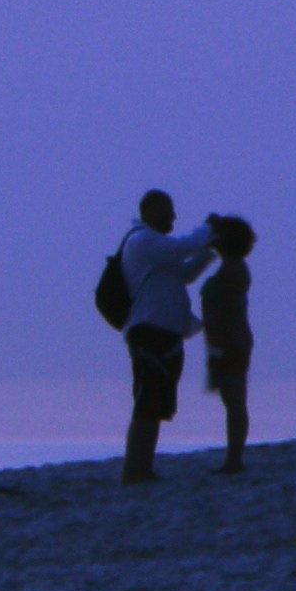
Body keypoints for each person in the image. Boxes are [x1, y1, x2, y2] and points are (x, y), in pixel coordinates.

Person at [109, 190, 220, 482]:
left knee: (156, 403)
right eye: (167, 210)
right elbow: (185, 246)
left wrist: (209, 250)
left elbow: (185, 274)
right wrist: (208, 229)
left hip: (165, 331)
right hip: (149, 331)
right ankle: (135, 470)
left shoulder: (157, 248)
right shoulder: (143, 241)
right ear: (150, 211)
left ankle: (142, 467)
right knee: (147, 401)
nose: (173, 217)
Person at [200, 214, 258, 471]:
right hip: (234, 341)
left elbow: (219, 312)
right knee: (235, 402)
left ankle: (234, 459)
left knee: (234, 402)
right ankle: (234, 458)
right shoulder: (236, 269)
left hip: (228, 343)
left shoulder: (231, 272)